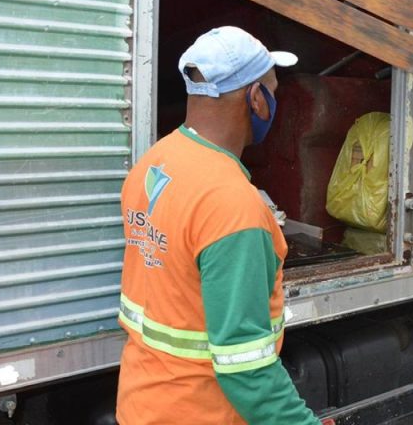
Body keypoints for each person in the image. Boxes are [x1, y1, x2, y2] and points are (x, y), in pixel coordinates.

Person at [116, 26, 320, 425]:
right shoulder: (232, 206)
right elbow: (246, 367)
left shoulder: (153, 164)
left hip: (142, 406)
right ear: (257, 100)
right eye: (272, 90)